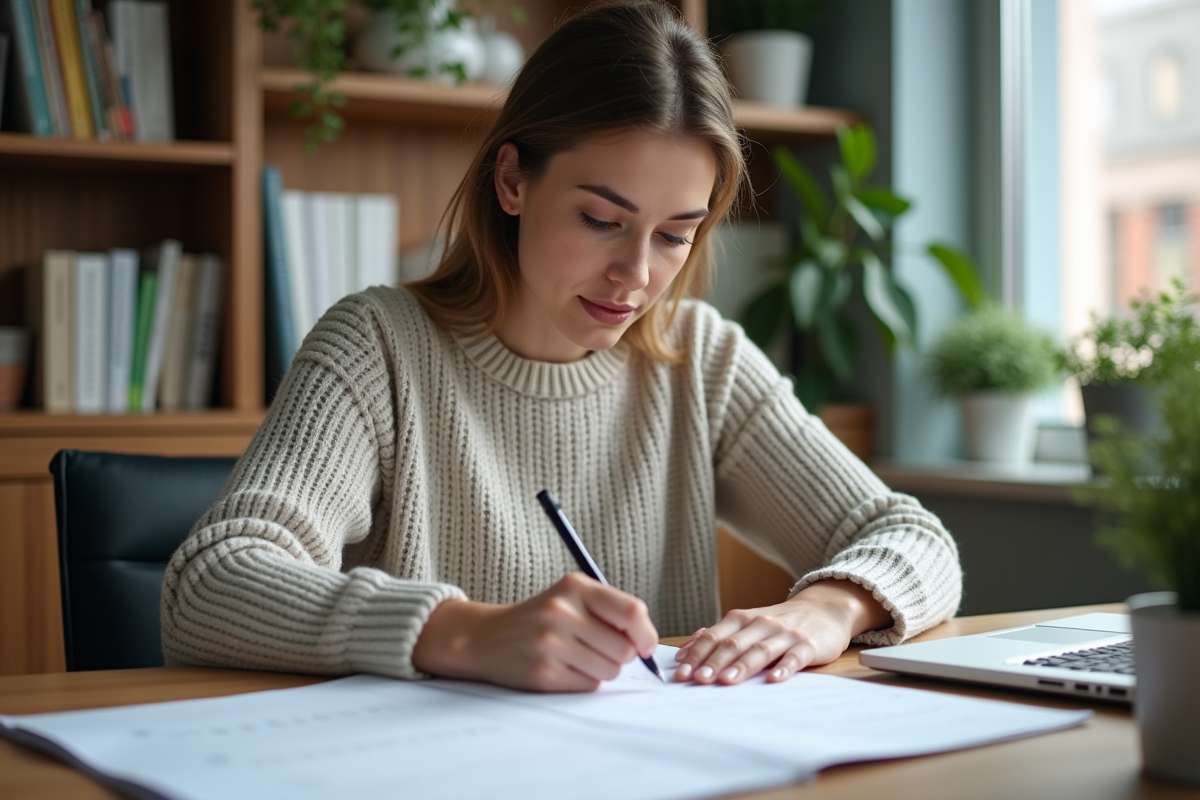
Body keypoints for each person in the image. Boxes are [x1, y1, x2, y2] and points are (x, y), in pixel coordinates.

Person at [161, 0, 962, 693]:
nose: (636, 275)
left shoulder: (699, 359)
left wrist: (828, 609)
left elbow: (916, 540)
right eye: (600, 220)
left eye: (675, 236)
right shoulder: (379, 346)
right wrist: (460, 632)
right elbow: (209, 586)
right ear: (512, 180)